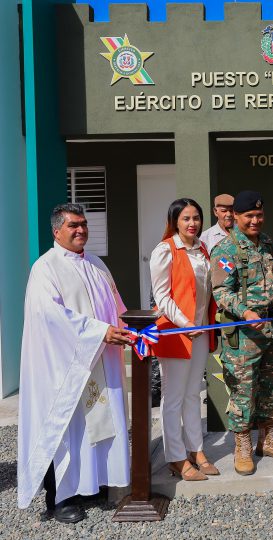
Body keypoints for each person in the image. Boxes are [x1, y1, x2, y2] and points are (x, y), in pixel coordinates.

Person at [17, 203, 135, 523]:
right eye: (73, 225)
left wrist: (126, 328)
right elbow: (50, 317)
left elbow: (115, 305)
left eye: (83, 224)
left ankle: (91, 486)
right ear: (57, 231)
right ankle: (62, 498)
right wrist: (100, 332)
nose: (81, 229)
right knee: (66, 428)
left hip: (100, 359)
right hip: (64, 368)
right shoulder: (46, 268)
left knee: (99, 421)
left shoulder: (96, 263)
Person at [211, 191, 273, 476]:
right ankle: (242, 445)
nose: (256, 220)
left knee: (271, 387)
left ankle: (267, 439)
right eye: (249, 216)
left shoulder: (269, 244)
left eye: (259, 215)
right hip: (245, 334)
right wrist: (245, 312)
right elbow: (221, 291)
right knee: (244, 391)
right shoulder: (226, 250)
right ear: (235, 216)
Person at [150, 198, 219, 481]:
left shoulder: (202, 249)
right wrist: (184, 323)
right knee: (173, 398)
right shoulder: (164, 250)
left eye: (196, 218)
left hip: (200, 331)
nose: (193, 224)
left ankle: (196, 449)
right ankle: (176, 457)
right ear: (175, 222)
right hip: (177, 333)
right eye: (186, 219)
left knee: (194, 394)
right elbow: (162, 297)